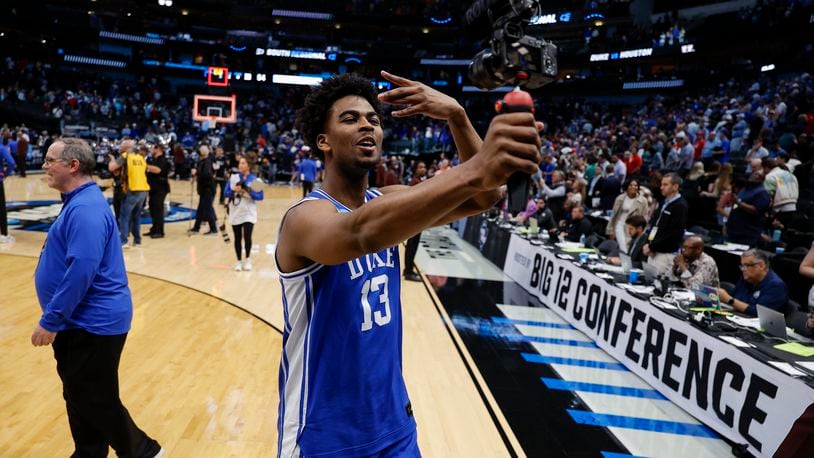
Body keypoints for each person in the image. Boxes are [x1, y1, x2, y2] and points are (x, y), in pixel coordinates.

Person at [274, 71, 541, 457]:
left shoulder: (391, 200)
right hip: (325, 435)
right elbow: (359, 234)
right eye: (350, 119)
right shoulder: (303, 219)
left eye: (374, 119)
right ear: (323, 141)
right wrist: (476, 167)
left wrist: (457, 116)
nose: (367, 124)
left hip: (395, 426)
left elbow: (486, 197)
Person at [33, 138, 162, 458]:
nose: (45, 165)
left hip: (92, 322)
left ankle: (144, 452)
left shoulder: (87, 208)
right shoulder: (80, 201)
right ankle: (89, 452)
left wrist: (51, 320)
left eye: (51, 160)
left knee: (94, 397)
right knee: (78, 393)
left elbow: (82, 271)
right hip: (81, 320)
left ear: (72, 165)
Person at [717, 249, 788, 317]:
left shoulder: (776, 286)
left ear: (761, 266)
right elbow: (735, 297)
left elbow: (758, 313)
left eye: (747, 265)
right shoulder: (746, 278)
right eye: (742, 266)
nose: (743, 269)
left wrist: (729, 300)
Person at [224, 155, 264, 271]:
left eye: (243, 163)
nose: (240, 165)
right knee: (237, 237)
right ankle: (238, 261)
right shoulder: (233, 178)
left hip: (249, 213)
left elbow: (260, 197)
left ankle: (247, 259)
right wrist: (233, 190)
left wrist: (248, 190)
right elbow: (225, 193)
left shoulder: (256, 180)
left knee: (247, 236)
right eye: (240, 163)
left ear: (249, 166)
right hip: (235, 211)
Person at [643, 173, 688, 275]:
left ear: (675, 187)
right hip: (654, 251)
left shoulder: (680, 206)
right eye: (661, 184)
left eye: (665, 184)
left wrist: (652, 246)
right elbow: (655, 225)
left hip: (665, 254)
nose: (661, 187)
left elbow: (673, 234)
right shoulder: (664, 202)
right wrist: (648, 243)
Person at [109, 143, 150, 248]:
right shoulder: (141, 158)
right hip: (144, 190)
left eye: (122, 146)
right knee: (136, 216)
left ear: (126, 148)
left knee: (124, 216)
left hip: (133, 190)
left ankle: (124, 241)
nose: (120, 147)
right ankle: (137, 240)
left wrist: (112, 159)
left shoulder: (126, 156)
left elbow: (112, 167)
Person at [725, 172, 771, 247]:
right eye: (753, 174)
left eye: (757, 175)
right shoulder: (745, 189)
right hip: (734, 230)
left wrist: (739, 203)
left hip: (747, 233)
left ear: (762, 179)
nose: (753, 175)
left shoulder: (762, 193)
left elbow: (757, 210)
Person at [607, 179, 648, 253]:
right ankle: (624, 261)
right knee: (623, 247)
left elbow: (644, 217)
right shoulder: (620, 198)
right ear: (627, 187)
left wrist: (641, 232)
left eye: (635, 185)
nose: (633, 187)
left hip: (633, 227)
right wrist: (610, 230)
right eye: (631, 185)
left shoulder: (643, 201)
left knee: (629, 247)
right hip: (620, 224)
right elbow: (613, 215)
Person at [403, 161, 427, 282]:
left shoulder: (418, 181)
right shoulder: (415, 182)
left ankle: (408, 269)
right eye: (420, 167)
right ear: (415, 169)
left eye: (424, 167)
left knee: (413, 245)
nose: (423, 169)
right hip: (415, 219)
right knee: (412, 246)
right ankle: (408, 271)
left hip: (418, 219)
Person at [189, 145, 218, 235]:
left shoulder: (207, 163)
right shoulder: (202, 162)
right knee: (201, 209)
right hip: (204, 189)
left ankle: (213, 229)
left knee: (207, 209)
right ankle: (196, 228)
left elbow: (207, 175)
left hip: (207, 189)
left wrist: (197, 174)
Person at [145, 144, 171, 239]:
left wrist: (145, 165)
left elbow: (158, 170)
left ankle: (160, 231)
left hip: (160, 188)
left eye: (153, 148)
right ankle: (154, 228)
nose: (151, 150)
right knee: (152, 209)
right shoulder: (154, 160)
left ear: (159, 149)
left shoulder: (162, 160)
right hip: (153, 188)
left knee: (158, 210)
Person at [0, 139, 16, 243]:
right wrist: (5, 174)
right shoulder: (1, 147)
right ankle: (3, 235)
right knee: (1, 208)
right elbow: (11, 162)